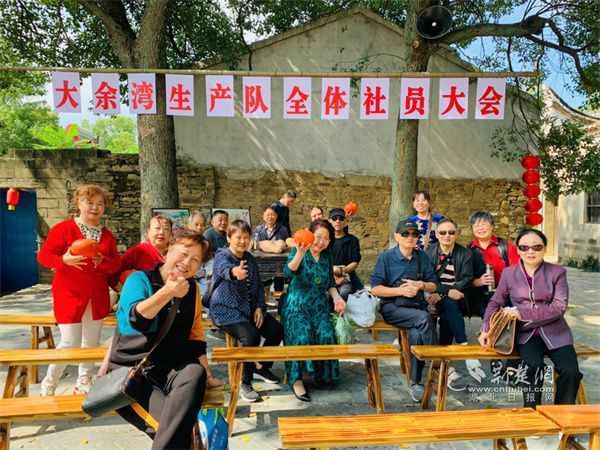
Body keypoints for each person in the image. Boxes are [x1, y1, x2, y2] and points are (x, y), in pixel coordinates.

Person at [107, 229, 213, 449]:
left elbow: (195, 336)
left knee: (195, 372)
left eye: (195, 260)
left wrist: (209, 375)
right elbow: (136, 320)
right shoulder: (139, 280)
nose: (187, 262)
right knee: (180, 434)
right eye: (183, 253)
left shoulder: (192, 289)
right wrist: (168, 292)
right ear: (169, 250)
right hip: (134, 374)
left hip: (170, 369)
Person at [479, 229, 582, 409]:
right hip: (525, 334)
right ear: (518, 250)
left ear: (544, 248)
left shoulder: (557, 272)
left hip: (557, 332)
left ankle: (563, 415)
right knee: (533, 367)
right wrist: (485, 329)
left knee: (570, 371)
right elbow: (495, 302)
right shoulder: (509, 273)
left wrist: (523, 314)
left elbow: (559, 307)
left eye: (536, 247)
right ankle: (532, 413)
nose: (530, 251)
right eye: (524, 247)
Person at [37, 184, 120, 396]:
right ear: (78, 203)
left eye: (100, 204)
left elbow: (115, 265)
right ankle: (50, 383)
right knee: (69, 341)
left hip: (97, 295)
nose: (95, 208)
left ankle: (84, 381)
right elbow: (44, 257)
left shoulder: (107, 235)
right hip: (69, 295)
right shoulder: (64, 229)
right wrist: (63, 260)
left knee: (91, 342)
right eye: (90, 202)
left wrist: (103, 261)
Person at [210, 220, 283, 402]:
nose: (242, 241)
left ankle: (261, 367)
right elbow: (224, 269)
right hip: (227, 310)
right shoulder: (222, 255)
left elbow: (258, 286)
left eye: (246, 237)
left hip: (249, 309)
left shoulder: (249, 258)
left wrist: (259, 307)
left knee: (276, 331)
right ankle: (244, 381)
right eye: (238, 237)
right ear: (229, 238)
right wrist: (235, 272)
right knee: (251, 337)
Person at [370, 219, 438, 403]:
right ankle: (437, 361)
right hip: (393, 308)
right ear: (397, 236)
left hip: (416, 306)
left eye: (414, 234)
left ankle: (415, 382)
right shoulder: (386, 258)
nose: (410, 237)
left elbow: (433, 285)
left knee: (416, 334)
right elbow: (375, 289)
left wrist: (420, 284)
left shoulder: (422, 257)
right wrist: (400, 291)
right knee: (424, 318)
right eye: (405, 233)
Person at [282, 219, 346, 402]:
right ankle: (296, 380)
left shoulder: (327, 257)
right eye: (318, 237)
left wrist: (337, 298)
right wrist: (300, 253)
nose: (321, 241)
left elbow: (330, 283)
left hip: (319, 306)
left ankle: (322, 374)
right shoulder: (298, 250)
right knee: (302, 335)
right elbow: (287, 272)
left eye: (326, 238)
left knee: (326, 334)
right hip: (297, 306)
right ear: (311, 235)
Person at [425, 218, 484, 389]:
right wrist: (443, 292)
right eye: (443, 232)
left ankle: (444, 363)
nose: (447, 235)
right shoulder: (429, 252)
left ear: (456, 234)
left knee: (447, 315)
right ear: (437, 234)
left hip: (459, 296)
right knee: (449, 307)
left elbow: (466, 278)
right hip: (434, 295)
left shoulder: (465, 253)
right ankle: (464, 348)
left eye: (451, 232)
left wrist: (446, 292)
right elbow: (428, 277)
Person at [468, 211, 520, 318]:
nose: (480, 228)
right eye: (476, 225)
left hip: (506, 294)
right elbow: (464, 278)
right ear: (472, 229)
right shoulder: (468, 251)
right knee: (490, 313)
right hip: (480, 296)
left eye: (484, 224)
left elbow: (517, 272)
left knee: (509, 313)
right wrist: (477, 282)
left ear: (492, 226)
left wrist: (503, 289)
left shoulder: (505, 245)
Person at [111, 215, 173, 288]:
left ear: (171, 233)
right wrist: (124, 290)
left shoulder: (175, 252)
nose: (161, 232)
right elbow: (113, 271)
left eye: (166, 229)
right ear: (149, 231)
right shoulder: (138, 251)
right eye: (157, 228)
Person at [328, 207, 364, 301]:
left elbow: (355, 262)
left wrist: (341, 272)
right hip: (327, 277)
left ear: (345, 222)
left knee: (345, 292)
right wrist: (334, 276)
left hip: (346, 278)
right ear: (330, 221)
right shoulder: (326, 240)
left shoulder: (352, 240)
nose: (338, 221)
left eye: (341, 218)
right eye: (334, 218)